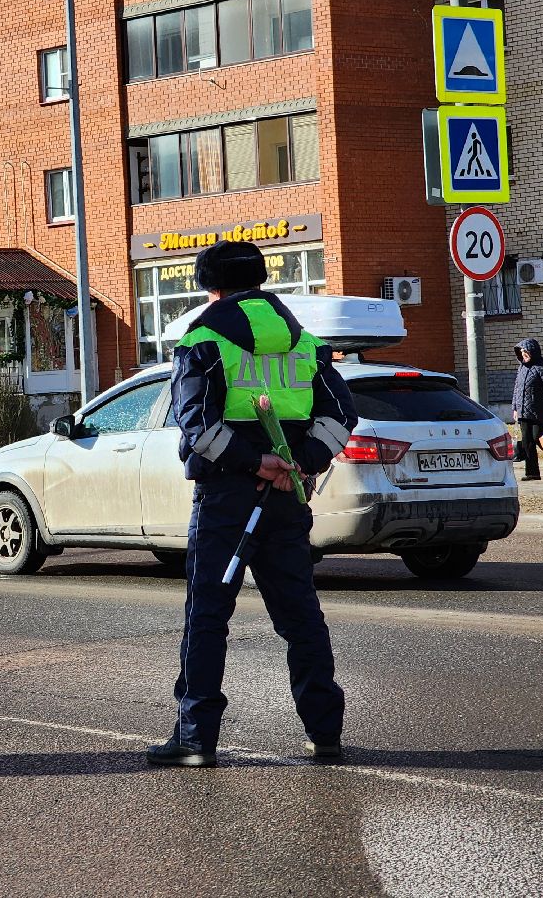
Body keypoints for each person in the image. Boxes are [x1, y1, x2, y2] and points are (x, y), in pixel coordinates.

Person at [147, 241, 359, 768]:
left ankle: (196, 739)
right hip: (287, 498)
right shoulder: (304, 343)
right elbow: (340, 419)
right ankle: (325, 733)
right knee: (300, 616)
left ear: (208, 285)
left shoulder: (202, 339)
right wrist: (298, 462)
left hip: (226, 499)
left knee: (208, 617)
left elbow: (197, 428)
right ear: (262, 280)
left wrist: (252, 463)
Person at [510, 338, 543, 481]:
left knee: (539, 438)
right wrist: (515, 408)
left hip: (540, 411)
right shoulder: (522, 368)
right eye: (522, 352)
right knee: (527, 442)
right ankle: (532, 473)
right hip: (523, 412)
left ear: (533, 351)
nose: (524, 354)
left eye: (526, 351)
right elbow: (517, 389)